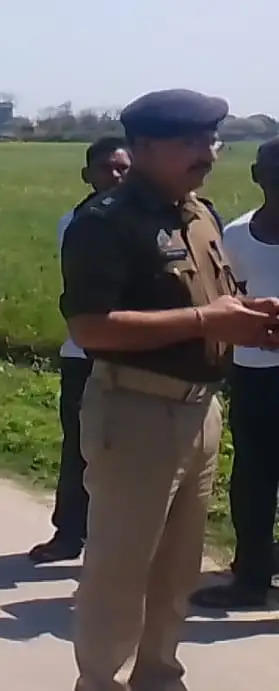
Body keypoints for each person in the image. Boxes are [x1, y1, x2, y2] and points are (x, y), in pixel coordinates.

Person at [62, 89, 279, 690]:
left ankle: (158, 675)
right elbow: (89, 326)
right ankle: (101, 681)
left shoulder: (200, 214)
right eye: (191, 142)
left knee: (177, 568)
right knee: (121, 568)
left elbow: (211, 300)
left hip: (199, 413)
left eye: (211, 140)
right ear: (146, 146)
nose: (208, 152)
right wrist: (210, 323)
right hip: (135, 409)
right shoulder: (106, 222)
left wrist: (247, 317)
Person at [29, 137, 130, 565]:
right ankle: (70, 531)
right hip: (86, 349)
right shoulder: (78, 221)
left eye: (125, 168)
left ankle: (120, 542)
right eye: (108, 168)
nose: (117, 176)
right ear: (88, 174)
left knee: (133, 451)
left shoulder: (147, 219)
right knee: (81, 448)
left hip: (139, 349)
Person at [190, 138, 279, 610]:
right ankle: (251, 576)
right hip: (254, 373)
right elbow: (223, 297)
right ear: (256, 175)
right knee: (252, 480)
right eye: (274, 167)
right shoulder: (237, 236)